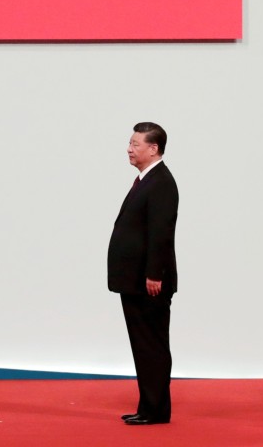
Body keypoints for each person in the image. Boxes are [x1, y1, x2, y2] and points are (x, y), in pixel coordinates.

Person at [107, 122, 178, 426]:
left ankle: (156, 410)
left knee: (151, 344)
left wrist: (154, 274)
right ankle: (149, 407)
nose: (129, 149)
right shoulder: (146, 180)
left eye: (136, 144)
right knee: (143, 344)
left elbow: (161, 233)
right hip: (136, 280)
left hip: (148, 282)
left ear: (153, 148)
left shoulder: (161, 182)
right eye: (130, 143)